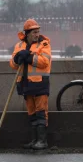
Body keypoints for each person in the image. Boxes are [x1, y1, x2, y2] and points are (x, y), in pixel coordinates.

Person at [10, 19, 52, 150]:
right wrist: (17, 58)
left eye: (38, 32)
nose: (37, 34)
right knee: (32, 114)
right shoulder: (19, 46)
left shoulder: (44, 44)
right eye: (34, 32)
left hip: (40, 84)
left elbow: (44, 61)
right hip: (25, 85)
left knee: (41, 113)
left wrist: (28, 57)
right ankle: (34, 141)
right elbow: (13, 64)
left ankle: (42, 141)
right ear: (27, 33)